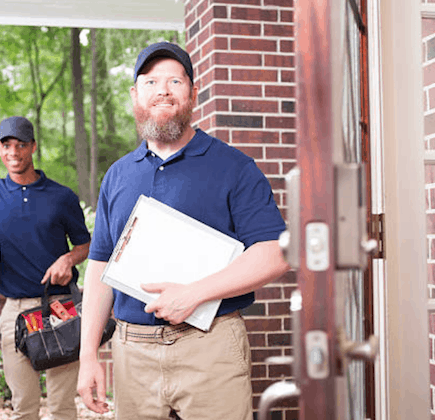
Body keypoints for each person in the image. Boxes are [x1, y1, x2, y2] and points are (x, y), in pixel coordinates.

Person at [77, 42, 291, 420]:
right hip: (132, 354)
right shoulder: (117, 176)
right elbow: (100, 266)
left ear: (192, 93)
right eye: (151, 81)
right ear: (135, 94)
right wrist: (88, 355)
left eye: (175, 80)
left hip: (211, 347)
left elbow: (273, 253)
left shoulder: (234, 168)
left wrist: (194, 294)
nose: (162, 89)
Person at [0, 116, 91, 420]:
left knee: (62, 406)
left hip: (61, 307)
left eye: (21, 145)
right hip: (16, 312)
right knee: (24, 407)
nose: (13, 152)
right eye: (6, 144)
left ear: (33, 147)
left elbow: (85, 245)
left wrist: (67, 259)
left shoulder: (61, 197)